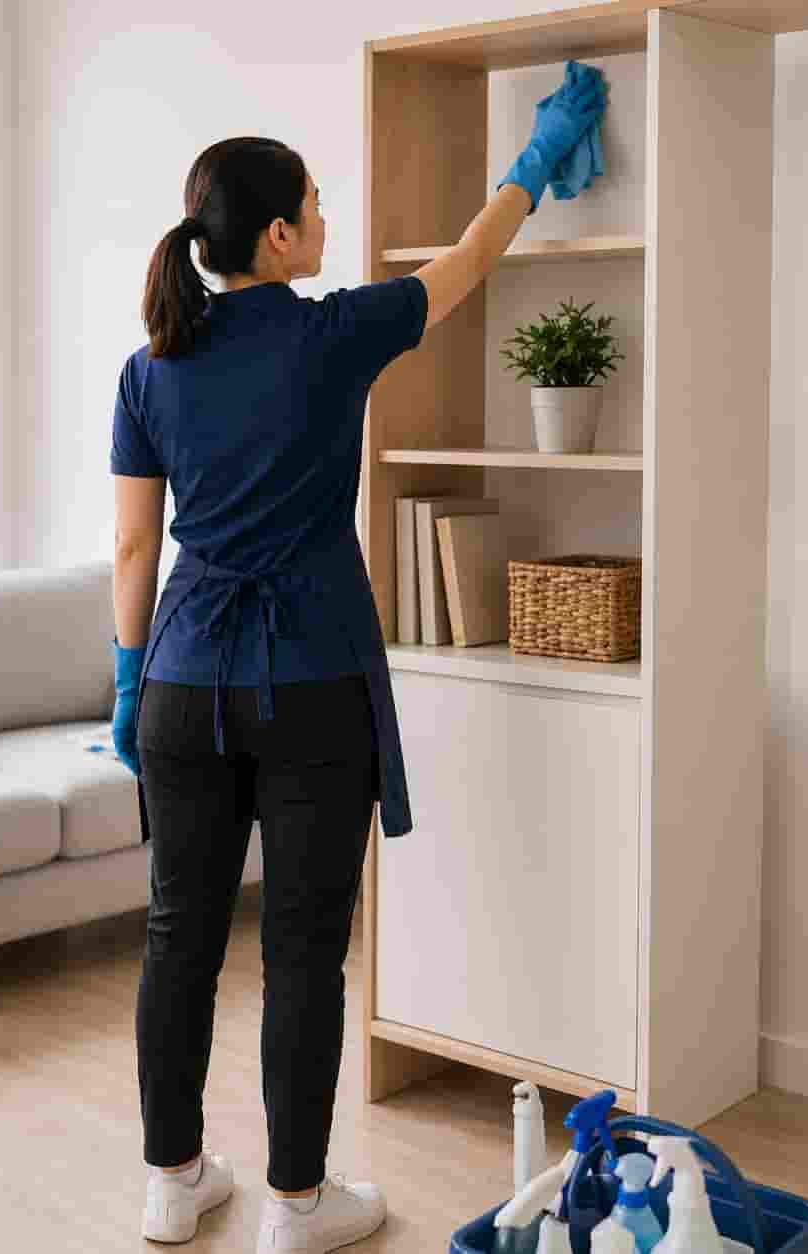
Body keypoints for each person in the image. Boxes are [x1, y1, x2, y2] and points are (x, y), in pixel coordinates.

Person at [110, 65, 608, 1253]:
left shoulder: (150, 364)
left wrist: (130, 684)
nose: (328, 223)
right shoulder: (334, 334)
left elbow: (134, 543)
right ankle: (294, 1204)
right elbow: (467, 263)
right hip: (310, 685)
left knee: (178, 934)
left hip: (181, 679)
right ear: (277, 237)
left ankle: (173, 1186)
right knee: (301, 948)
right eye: (316, 207)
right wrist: (535, 164)